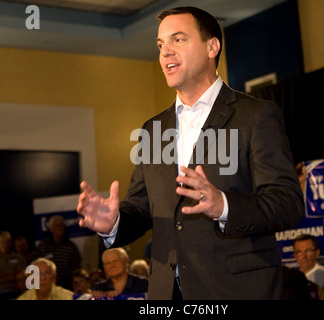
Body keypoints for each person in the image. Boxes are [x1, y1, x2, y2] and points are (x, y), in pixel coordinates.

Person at [77, 6, 304, 300]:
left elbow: (287, 204)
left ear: (212, 47)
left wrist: (222, 205)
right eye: (160, 45)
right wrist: (114, 223)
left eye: (178, 40)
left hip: (235, 291)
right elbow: (142, 208)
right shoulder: (153, 129)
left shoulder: (256, 116)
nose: (166, 52)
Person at [29, 215, 81, 290]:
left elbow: (76, 269)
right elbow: (33, 263)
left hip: (66, 284)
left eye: (62, 225)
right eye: (57, 226)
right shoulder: (43, 246)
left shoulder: (71, 247)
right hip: (46, 281)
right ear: (51, 228)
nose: (60, 228)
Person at [0, 230, 27, 299]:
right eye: (2, 242)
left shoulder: (20, 258)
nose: (5, 244)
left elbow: (21, 277)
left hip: (17, 292)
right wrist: (14, 276)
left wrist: (1, 277)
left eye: (7, 242)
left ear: (11, 242)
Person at [293, 234, 324, 299]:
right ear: (295, 255)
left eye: (308, 251)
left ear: (317, 253)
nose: (304, 256)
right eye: (299, 252)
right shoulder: (292, 278)